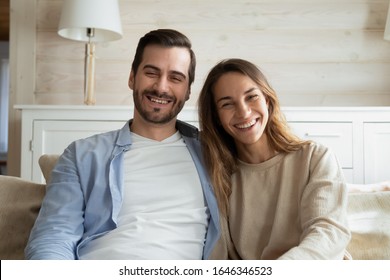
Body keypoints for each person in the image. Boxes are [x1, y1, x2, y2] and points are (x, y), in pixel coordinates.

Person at [25, 29, 220, 260]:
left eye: (175, 78)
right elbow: (55, 236)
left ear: (187, 91)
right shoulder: (81, 155)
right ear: (132, 78)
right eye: (151, 72)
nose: (161, 87)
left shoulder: (215, 155)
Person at [198, 58, 351, 260]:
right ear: (217, 116)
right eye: (227, 104)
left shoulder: (315, 158)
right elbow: (217, 254)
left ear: (267, 101)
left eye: (251, 97)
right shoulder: (217, 175)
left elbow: (329, 233)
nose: (244, 112)